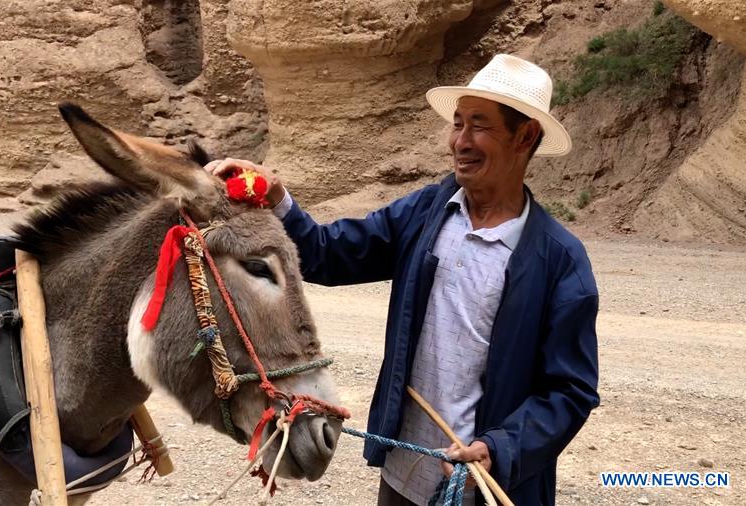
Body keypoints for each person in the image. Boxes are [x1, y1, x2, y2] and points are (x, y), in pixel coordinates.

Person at [206, 54, 599, 506]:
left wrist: (500, 449)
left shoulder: (560, 260)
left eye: (479, 125)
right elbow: (328, 254)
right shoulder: (427, 213)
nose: (460, 141)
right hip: (403, 475)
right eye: (458, 123)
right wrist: (277, 198)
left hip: (487, 489)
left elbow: (570, 390)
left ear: (525, 135)